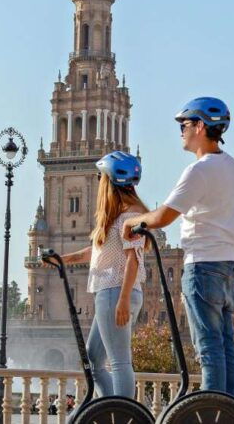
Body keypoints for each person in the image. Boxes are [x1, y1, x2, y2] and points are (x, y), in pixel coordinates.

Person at [122, 97, 234, 396]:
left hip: (201, 265)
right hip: (227, 264)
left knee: (207, 347)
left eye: (185, 124)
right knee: (226, 344)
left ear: (201, 126)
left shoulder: (199, 171)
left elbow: (164, 216)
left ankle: (213, 408)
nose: (181, 130)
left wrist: (133, 222)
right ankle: (229, 408)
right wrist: (222, 238)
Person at [59, 151, 148, 398]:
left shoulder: (130, 214)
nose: (98, 182)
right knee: (93, 360)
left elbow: (133, 258)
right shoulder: (121, 214)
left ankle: (123, 414)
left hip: (115, 292)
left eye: (100, 177)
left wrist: (123, 299)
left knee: (119, 362)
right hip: (112, 292)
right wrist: (64, 259)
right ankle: (110, 408)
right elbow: (100, 250)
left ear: (110, 180)